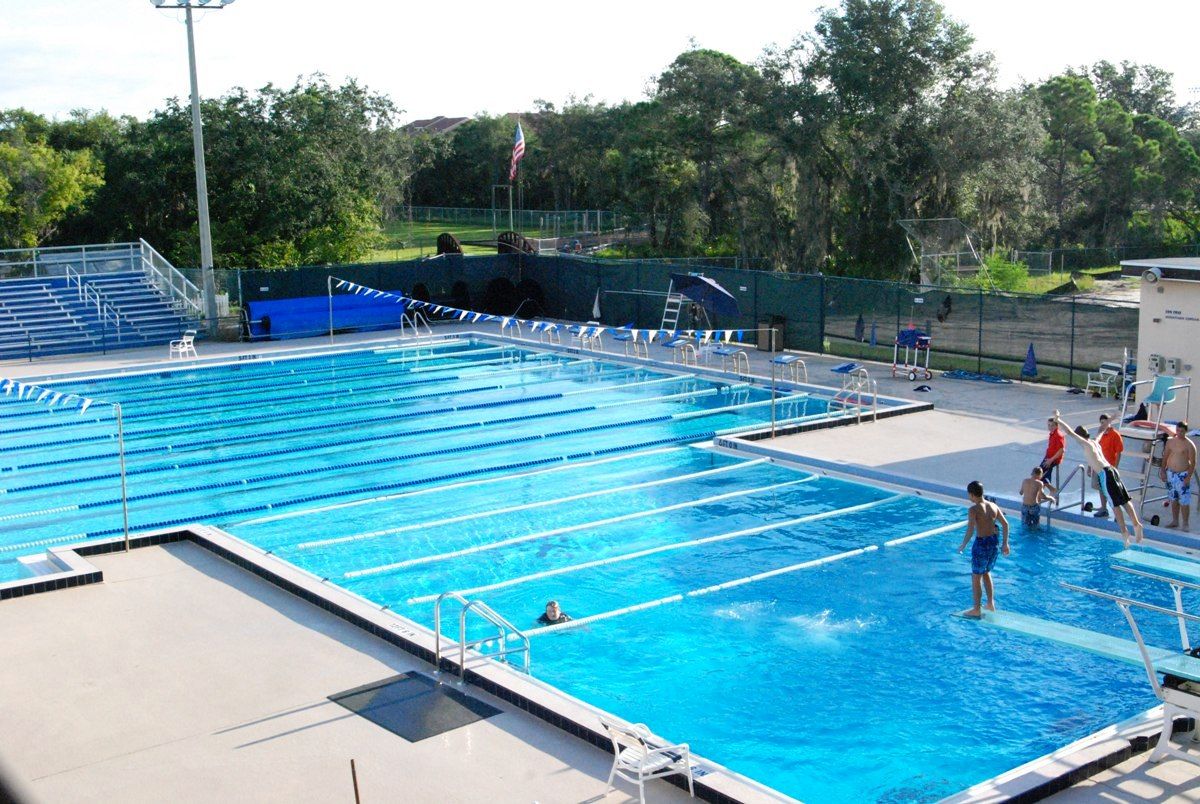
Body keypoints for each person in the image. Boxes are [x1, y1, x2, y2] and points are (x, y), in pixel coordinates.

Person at [1054, 411, 1144, 546]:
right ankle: (1136, 524)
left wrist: (1058, 420)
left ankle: (1124, 532)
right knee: (1125, 500)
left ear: (1081, 437)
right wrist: (1111, 418)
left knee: (1115, 505)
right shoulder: (1095, 441)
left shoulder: (1086, 444)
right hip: (1112, 470)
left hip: (1104, 474)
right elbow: (1103, 428)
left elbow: (1070, 432)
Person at [958, 480, 1010, 617]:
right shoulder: (993, 505)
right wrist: (1005, 543)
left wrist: (963, 544)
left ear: (972, 494)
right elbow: (1005, 524)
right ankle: (990, 604)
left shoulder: (973, 510)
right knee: (986, 572)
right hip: (993, 543)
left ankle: (976, 609)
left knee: (976, 577)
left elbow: (970, 530)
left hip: (981, 544)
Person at [1160, 421, 1197, 531]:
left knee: (1184, 500)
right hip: (1171, 474)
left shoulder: (1189, 445)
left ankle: (1185, 523)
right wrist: (1163, 471)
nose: (1179, 433)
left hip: (1182, 475)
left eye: (1182, 431)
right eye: (1178, 430)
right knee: (1173, 498)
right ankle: (1175, 520)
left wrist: (1188, 477)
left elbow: (1193, 463)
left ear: (1186, 431)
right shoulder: (1170, 442)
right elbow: (1165, 457)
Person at [1092, 413, 1124, 518]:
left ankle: (1117, 514)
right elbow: (1093, 451)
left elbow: (1119, 452)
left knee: (1111, 490)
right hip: (1099, 465)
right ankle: (1103, 508)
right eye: (1101, 423)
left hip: (1109, 467)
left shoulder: (1115, 435)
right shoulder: (1100, 434)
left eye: (1105, 422)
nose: (1103, 425)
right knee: (1101, 487)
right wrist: (1090, 466)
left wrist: (1115, 467)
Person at [1039, 416, 1065, 492]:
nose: (1050, 427)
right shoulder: (1052, 433)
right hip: (1048, 457)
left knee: (1038, 473)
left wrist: (1050, 460)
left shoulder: (1058, 435)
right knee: (1045, 474)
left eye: (1052, 425)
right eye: (1049, 425)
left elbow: (1061, 450)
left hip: (1053, 459)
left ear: (1057, 426)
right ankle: (1042, 492)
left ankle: (1052, 490)